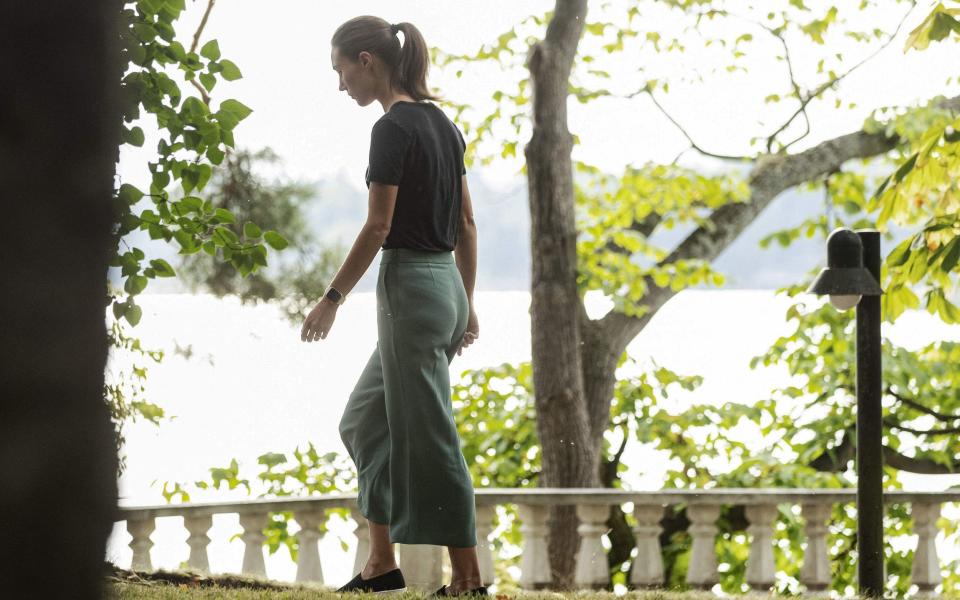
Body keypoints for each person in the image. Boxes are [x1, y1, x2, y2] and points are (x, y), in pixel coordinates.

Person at [299, 15, 486, 597]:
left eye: (340, 72)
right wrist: (467, 302)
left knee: (433, 438)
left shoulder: (393, 128)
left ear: (366, 61)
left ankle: (468, 580)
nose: (340, 87)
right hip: (444, 291)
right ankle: (382, 563)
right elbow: (466, 223)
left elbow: (378, 226)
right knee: (362, 422)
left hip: (410, 289)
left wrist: (331, 299)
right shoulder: (445, 125)